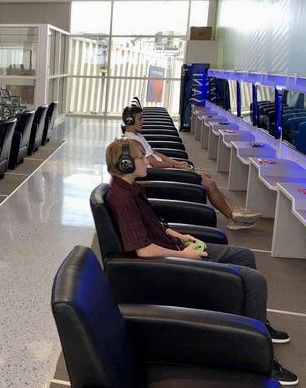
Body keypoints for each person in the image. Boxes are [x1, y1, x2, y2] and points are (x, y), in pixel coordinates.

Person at [104, 138, 298, 385]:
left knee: (244, 256)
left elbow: (153, 226)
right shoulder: (121, 198)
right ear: (125, 164)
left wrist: (178, 235)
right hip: (166, 262)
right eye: (141, 158)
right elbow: (143, 250)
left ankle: (257, 325)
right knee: (254, 281)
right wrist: (185, 255)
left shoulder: (131, 190)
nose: (147, 162)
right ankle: (262, 357)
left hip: (173, 247)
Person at [121, 105, 260, 230]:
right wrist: (176, 166)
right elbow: (154, 162)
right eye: (139, 119)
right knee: (209, 183)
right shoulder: (133, 140)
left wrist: (175, 161)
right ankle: (233, 217)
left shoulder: (137, 136)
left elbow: (155, 153)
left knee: (207, 177)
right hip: (161, 174)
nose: (142, 121)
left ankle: (235, 209)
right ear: (129, 121)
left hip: (165, 168)